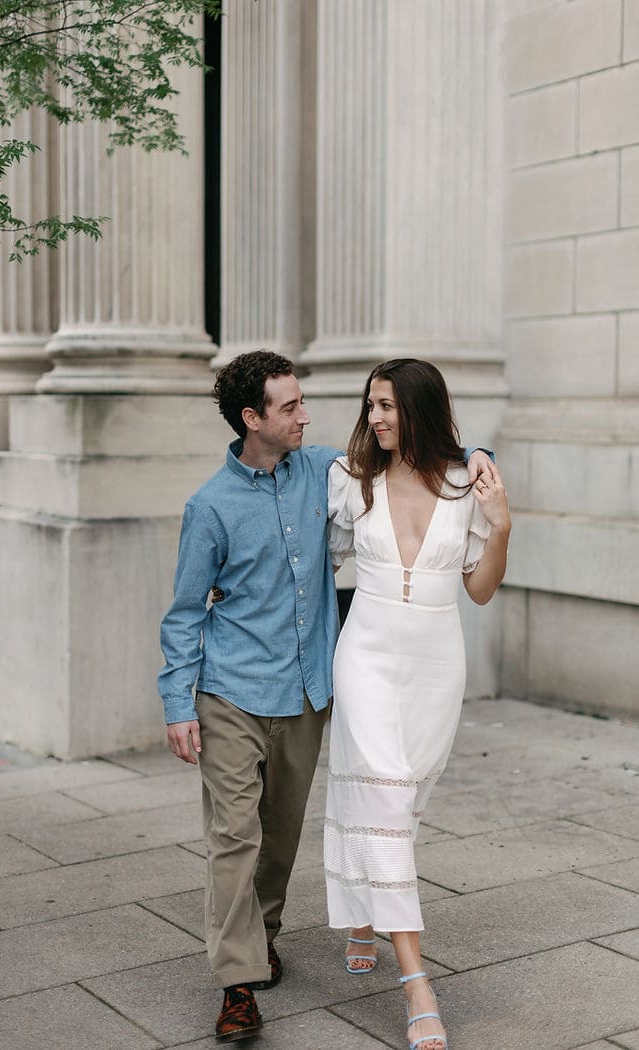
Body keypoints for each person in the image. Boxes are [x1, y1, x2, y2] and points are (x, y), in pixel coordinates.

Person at [158, 350, 494, 1043]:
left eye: (303, 402)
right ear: (252, 419)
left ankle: (265, 936)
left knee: (280, 837)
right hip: (232, 688)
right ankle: (238, 983)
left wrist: (480, 454)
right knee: (235, 836)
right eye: (290, 406)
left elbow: (424, 453)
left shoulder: (323, 472)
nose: (307, 416)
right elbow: (185, 611)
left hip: (307, 688)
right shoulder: (210, 506)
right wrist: (178, 703)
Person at [324, 358, 511, 1050]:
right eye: (371, 404)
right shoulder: (349, 479)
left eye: (389, 406)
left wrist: (502, 528)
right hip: (365, 658)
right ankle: (416, 985)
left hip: (435, 667)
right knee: (382, 793)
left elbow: (480, 590)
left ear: (420, 409)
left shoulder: (466, 485)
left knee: (401, 802)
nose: (375, 417)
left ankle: (363, 913)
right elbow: (318, 560)